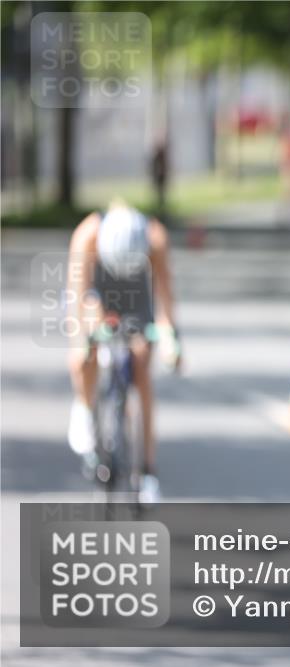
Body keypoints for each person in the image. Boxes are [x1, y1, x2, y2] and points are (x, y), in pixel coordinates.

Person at [65, 199, 181, 505]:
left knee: (142, 367)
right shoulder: (87, 235)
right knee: (82, 356)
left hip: (137, 293)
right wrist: (82, 342)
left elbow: (165, 294)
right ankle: (85, 408)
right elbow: (76, 297)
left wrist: (172, 340)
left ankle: (148, 471)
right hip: (97, 291)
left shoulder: (154, 238)